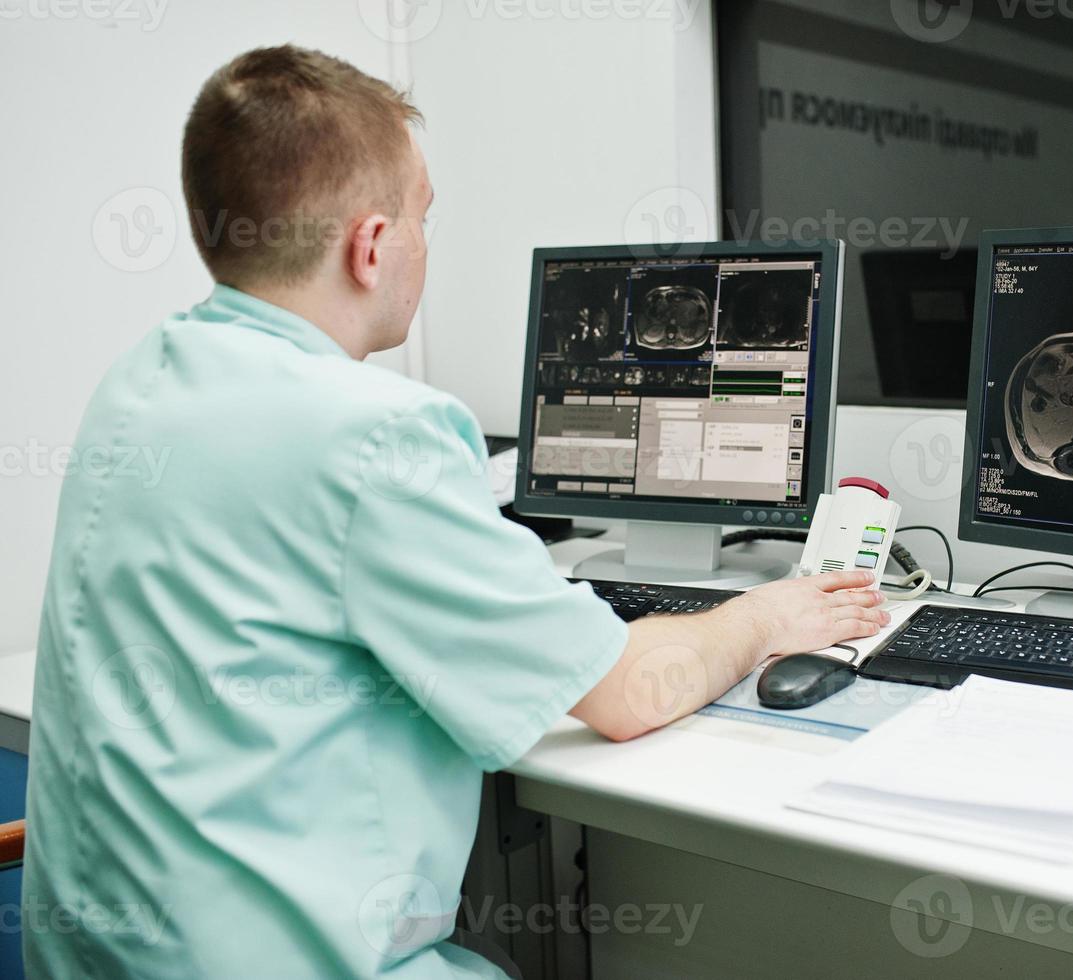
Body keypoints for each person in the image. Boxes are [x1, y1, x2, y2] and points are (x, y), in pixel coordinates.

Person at [21, 45, 888, 979]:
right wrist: (770, 614)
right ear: (369, 244)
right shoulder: (372, 435)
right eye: (423, 218)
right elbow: (626, 698)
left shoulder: (139, 382)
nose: (427, 245)